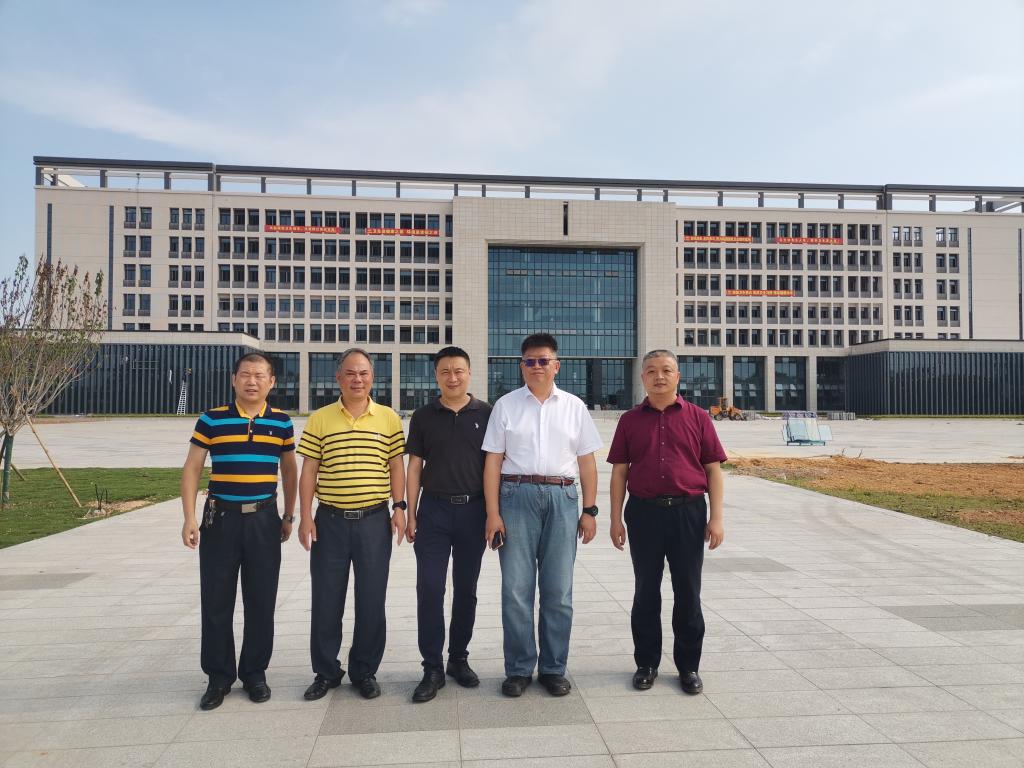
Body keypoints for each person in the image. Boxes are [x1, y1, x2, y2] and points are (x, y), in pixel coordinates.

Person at [482, 333, 602, 697]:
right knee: (516, 589)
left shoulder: (574, 407)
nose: (537, 367)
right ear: (521, 366)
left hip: (562, 497)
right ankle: (519, 668)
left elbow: (587, 462)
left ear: (556, 365)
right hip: (515, 496)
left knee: (558, 590)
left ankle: (553, 668)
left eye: (543, 360)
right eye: (530, 361)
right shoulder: (505, 406)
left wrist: (590, 510)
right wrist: (492, 513)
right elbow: (493, 462)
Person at [181, 352, 297, 711]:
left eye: (260, 375)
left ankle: (254, 673)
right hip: (220, 520)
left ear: (272, 382)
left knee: (261, 600)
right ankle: (218, 677)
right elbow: (192, 468)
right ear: (234, 379)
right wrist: (188, 518)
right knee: (216, 600)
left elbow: (289, 470)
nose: (252, 381)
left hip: (264, 519)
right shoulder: (211, 419)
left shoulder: (281, 422)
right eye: (246, 374)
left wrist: (289, 515)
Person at [607, 350, 726, 695]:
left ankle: (689, 666)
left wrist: (716, 518)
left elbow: (713, 470)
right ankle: (646, 663)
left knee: (688, 591)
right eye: (651, 371)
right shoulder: (629, 420)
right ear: (642, 377)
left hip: (688, 513)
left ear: (678, 376)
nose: (659, 376)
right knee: (646, 590)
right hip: (643, 513)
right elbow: (619, 472)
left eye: (666, 370)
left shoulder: (699, 418)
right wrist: (615, 518)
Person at [297, 348, 406, 701]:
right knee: (326, 599)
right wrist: (305, 516)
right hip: (329, 521)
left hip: (374, 521)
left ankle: (364, 671)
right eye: (350, 373)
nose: (357, 379)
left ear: (372, 377)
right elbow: (309, 469)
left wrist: (400, 507)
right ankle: (326, 671)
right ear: (338, 378)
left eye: (363, 373)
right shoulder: (320, 419)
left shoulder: (388, 418)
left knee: (371, 599)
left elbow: (396, 466)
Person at [404, 346, 492, 702]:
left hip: (474, 511)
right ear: (436, 376)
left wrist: (494, 514)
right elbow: (414, 467)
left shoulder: (487, 413)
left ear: (469, 373)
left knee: (466, 589)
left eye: (458, 371)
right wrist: (411, 512)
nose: (452, 377)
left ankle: (458, 658)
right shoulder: (424, 416)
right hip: (434, 512)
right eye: (445, 371)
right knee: (430, 589)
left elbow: (495, 466)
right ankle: (432, 667)